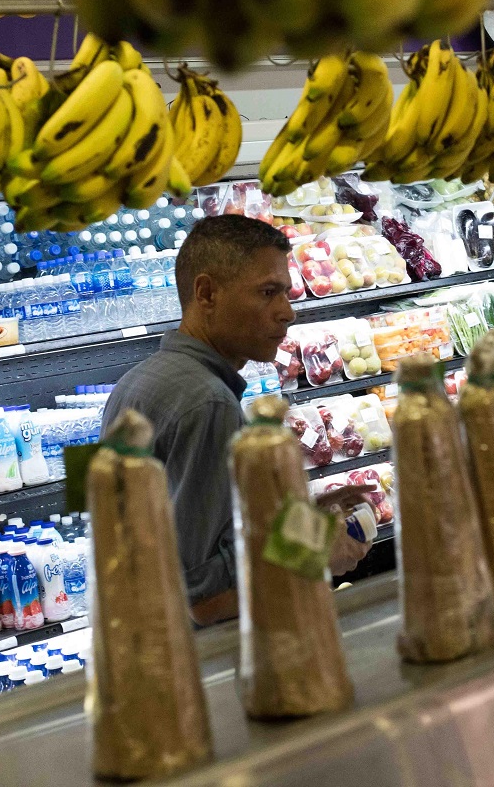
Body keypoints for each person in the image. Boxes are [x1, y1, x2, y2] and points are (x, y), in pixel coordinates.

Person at [101, 215, 371, 626]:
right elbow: (204, 600)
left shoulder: (137, 382)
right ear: (206, 293)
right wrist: (316, 552)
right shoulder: (207, 403)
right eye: (267, 293)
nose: (287, 313)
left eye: (286, 293)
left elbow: (185, 534)